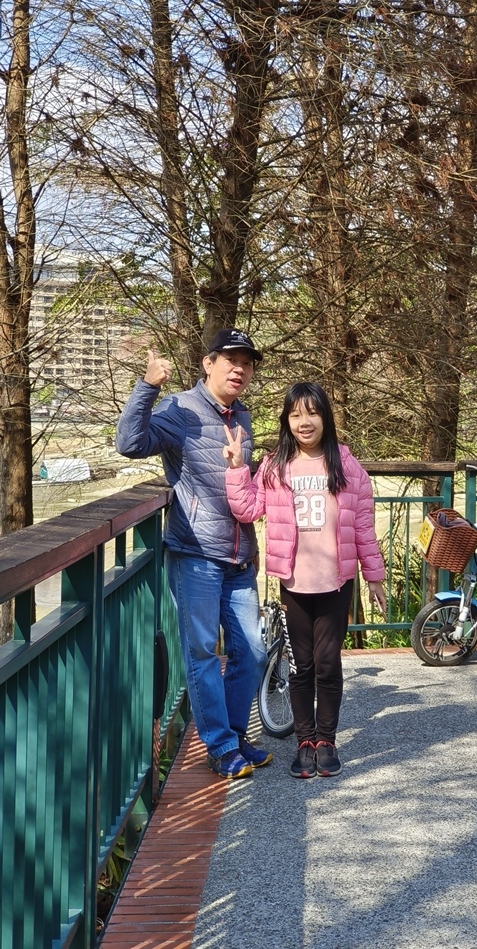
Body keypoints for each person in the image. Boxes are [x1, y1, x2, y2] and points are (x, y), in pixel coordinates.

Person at [116, 328, 272, 779]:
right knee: (203, 651)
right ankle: (221, 746)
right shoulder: (178, 407)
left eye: (247, 361)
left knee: (252, 651)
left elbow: (241, 484)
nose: (239, 368)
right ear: (208, 363)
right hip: (196, 554)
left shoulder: (241, 415)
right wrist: (148, 386)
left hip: (239, 556)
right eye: (230, 359)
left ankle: (236, 735)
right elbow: (129, 444)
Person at [223, 381, 387, 779]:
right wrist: (235, 469)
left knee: (328, 664)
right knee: (301, 667)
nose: (303, 422)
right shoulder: (276, 466)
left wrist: (375, 575)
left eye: (311, 413)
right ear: (287, 420)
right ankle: (305, 741)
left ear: (325, 417)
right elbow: (248, 510)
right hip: (293, 582)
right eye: (295, 414)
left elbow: (363, 524)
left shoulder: (346, 465)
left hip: (336, 582)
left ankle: (326, 740)